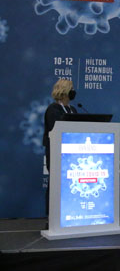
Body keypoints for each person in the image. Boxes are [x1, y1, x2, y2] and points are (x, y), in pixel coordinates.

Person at [42, 78, 77, 216]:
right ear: (64, 91)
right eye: (71, 89)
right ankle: (51, 216)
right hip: (57, 152)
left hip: (72, 152)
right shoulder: (53, 109)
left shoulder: (73, 109)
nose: (73, 91)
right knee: (56, 184)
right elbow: (56, 130)